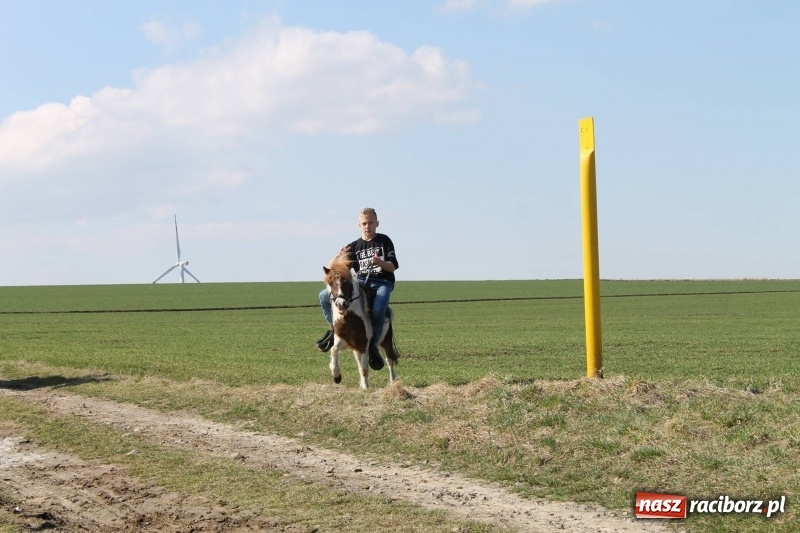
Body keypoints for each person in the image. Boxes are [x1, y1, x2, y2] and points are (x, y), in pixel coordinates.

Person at [317, 207, 399, 371]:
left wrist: (380, 263)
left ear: (377, 223)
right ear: (359, 225)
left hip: (382, 282)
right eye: (364, 223)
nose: (367, 226)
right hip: (361, 283)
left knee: (378, 307)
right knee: (323, 296)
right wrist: (338, 254)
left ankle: (373, 344)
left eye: (370, 223)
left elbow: (393, 266)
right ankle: (334, 330)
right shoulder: (354, 246)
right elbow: (331, 268)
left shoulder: (384, 241)